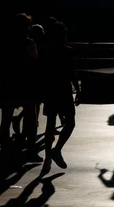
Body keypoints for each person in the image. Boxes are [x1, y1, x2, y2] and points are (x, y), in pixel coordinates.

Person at [38, 21, 80, 175]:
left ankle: (48, 157)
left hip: (50, 89)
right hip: (64, 90)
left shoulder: (46, 51)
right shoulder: (68, 51)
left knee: (50, 124)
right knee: (70, 122)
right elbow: (71, 73)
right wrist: (78, 89)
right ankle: (57, 150)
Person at [0, 13, 38, 156]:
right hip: (25, 84)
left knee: (6, 119)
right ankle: (31, 150)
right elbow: (34, 66)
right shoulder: (30, 43)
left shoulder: (5, 43)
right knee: (31, 118)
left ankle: (5, 150)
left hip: (8, 83)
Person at [11, 23, 45, 139]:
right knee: (35, 105)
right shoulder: (34, 45)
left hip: (28, 79)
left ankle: (25, 126)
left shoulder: (26, 44)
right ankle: (31, 129)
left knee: (31, 105)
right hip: (35, 78)